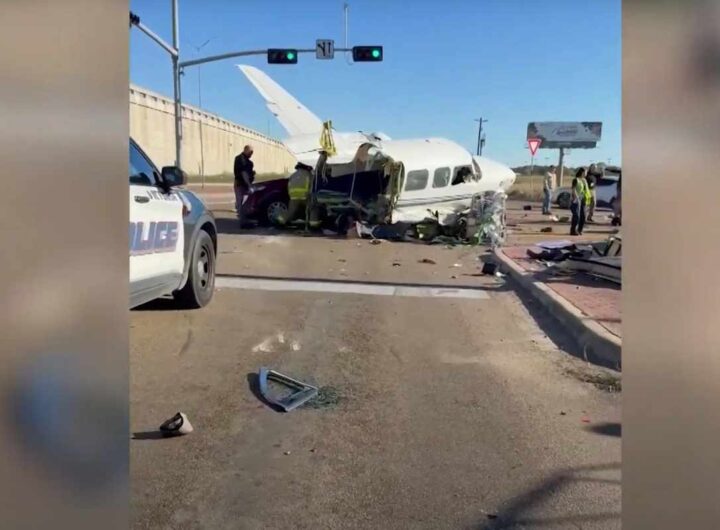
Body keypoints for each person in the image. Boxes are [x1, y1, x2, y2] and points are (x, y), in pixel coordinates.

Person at [233, 145, 255, 226]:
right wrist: (249, 185)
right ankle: (242, 222)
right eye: (251, 152)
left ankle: (244, 220)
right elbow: (243, 173)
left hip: (244, 184)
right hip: (240, 184)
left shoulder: (248, 161)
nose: (251, 154)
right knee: (241, 203)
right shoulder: (241, 159)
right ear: (246, 150)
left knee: (244, 203)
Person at [570, 167, 589, 236]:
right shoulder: (576, 180)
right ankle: (573, 230)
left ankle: (580, 230)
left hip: (583, 199)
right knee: (576, 216)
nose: (586, 174)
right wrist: (576, 197)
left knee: (583, 216)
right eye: (585, 172)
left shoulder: (584, 180)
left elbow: (586, 190)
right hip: (576, 199)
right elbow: (573, 189)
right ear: (582, 172)